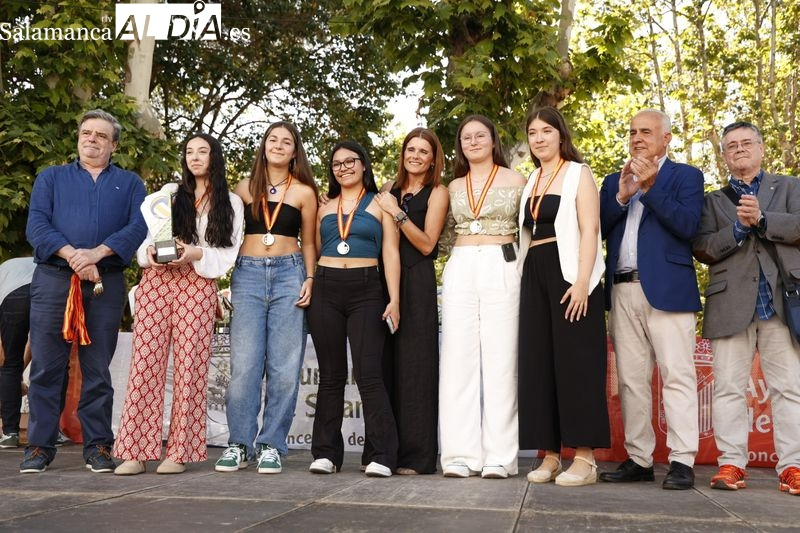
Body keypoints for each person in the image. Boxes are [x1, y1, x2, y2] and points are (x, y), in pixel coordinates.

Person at [22, 109, 148, 473]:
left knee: (97, 368)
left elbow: (137, 227)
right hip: (53, 280)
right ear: (78, 138)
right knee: (46, 366)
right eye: (86, 133)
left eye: (101, 135)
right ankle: (39, 446)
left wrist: (96, 254)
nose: (91, 139)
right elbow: (38, 225)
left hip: (103, 284)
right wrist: (75, 257)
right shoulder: (51, 178)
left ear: (114, 145)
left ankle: (98, 446)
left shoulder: (131, 184)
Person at [113, 133, 244, 475]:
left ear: (215, 158)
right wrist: (152, 255)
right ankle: (135, 452)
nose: (195, 157)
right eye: (190, 151)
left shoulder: (230, 202)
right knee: (145, 365)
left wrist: (195, 252)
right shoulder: (169, 194)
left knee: (191, 369)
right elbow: (146, 244)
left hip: (198, 283)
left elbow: (229, 252)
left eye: (203, 151)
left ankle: (180, 452)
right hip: (157, 283)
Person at [692, 121, 800, 496]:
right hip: (729, 305)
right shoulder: (713, 201)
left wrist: (764, 220)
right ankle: (731, 465)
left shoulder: (789, 187)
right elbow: (702, 247)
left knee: (789, 389)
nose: (738, 149)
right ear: (723, 156)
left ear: (761, 148)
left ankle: (793, 468)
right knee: (727, 389)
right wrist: (738, 229)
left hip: (782, 303)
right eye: (731, 145)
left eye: (745, 143)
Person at [598, 109, 704, 490]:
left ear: (666, 139)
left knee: (677, 375)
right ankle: (639, 458)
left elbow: (689, 226)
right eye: (632, 132)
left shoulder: (686, 176)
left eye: (646, 132)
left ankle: (681, 460)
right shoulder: (613, 180)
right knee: (631, 379)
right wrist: (623, 197)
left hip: (669, 291)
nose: (637, 138)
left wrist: (650, 186)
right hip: (622, 288)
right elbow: (598, 228)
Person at [214, 121, 317, 475]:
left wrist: (311, 278)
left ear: (294, 151)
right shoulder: (244, 188)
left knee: (284, 366)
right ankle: (239, 443)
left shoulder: (303, 191)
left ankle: (271, 444)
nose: (278, 145)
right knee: (245, 365)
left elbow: (310, 242)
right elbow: (223, 235)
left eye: (286, 141)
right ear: (264, 146)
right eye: (273, 139)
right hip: (249, 274)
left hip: (291, 272)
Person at [517, 107, 609, 487]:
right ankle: (551, 454)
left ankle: (585, 458)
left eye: (546, 131)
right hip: (534, 269)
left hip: (569, 271)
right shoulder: (532, 178)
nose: (539, 138)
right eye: (533, 133)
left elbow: (590, 229)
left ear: (560, 135)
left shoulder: (578, 172)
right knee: (538, 363)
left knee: (577, 363)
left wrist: (583, 281)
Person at [439, 115, 526, 479]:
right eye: (466, 137)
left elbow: (531, 229)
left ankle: (500, 457)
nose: (473, 142)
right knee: (457, 360)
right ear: (460, 145)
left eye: (480, 136)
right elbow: (440, 236)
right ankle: (459, 455)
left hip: (502, 261)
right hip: (460, 263)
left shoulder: (518, 179)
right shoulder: (452, 186)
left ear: (494, 142)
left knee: (501, 359)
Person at [307, 140, 400, 477]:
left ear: (364, 165)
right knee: (330, 376)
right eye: (337, 164)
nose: (343, 167)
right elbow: (317, 249)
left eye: (350, 161)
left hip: (367, 290)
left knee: (368, 374)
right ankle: (326, 454)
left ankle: (381, 455)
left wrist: (394, 298)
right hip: (327, 289)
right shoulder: (324, 207)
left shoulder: (381, 203)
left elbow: (390, 252)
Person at [373, 128, 449, 475]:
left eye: (423, 151)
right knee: (385, 366)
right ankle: (385, 452)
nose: (415, 155)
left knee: (417, 367)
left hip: (417, 279)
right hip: (384, 279)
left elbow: (427, 245)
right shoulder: (388, 189)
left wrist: (397, 213)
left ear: (433, 159)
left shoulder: (438, 192)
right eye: (410, 149)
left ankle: (417, 456)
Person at [0, 257, 35, 449]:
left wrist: (14, 377)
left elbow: (4, 352)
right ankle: (51, 431)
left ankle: (10, 433)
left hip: (12, 297)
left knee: (9, 365)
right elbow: (34, 343)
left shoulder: (5, 271)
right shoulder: (46, 260)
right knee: (53, 363)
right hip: (48, 290)